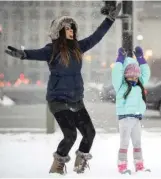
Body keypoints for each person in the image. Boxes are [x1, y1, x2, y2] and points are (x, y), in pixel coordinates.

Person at [5, 3, 121, 175]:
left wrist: (110, 20)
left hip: (76, 99)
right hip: (58, 100)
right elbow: (35, 53)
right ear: (59, 31)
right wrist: (24, 54)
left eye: (72, 28)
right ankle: (57, 166)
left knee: (89, 133)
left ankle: (79, 165)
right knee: (70, 135)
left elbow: (97, 36)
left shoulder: (78, 48)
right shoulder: (51, 50)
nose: (71, 30)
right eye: (67, 28)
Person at [112, 46, 151, 174]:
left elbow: (146, 73)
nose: (134, 79)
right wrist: (120, 59)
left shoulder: (139, 85)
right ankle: (122, 166)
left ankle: (139, 165)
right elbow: (116, 73)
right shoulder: (121, 86)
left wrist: (141, 59)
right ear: (126, 76)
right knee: (124, 143)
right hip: (125, 119)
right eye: (131, 77)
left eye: (136, 77)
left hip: (136, 119)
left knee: (137, 143)